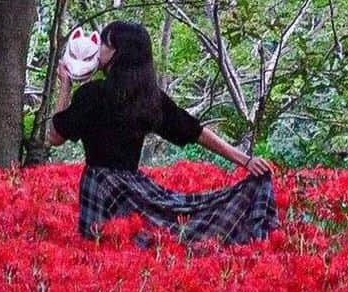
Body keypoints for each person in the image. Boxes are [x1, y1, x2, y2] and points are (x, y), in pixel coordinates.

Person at [48, 20, 279, 246]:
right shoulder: (148, 99)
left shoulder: (91, 95)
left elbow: (55, 137)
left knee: (102, 250)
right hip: (132, 188)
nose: (98, 49)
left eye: (105, 45)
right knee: (166, 232)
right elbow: (195, 131)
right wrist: (244, 160)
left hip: (99, 187)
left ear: (118, 53)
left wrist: (65, 86)